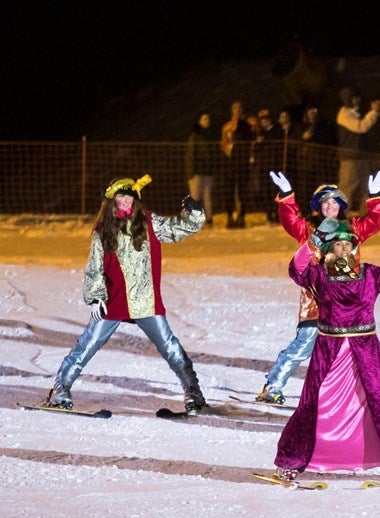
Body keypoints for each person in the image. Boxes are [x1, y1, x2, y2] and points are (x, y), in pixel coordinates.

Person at [270, 220, 380, 482]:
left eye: (348, 244)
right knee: (313, 405)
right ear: (330, 249)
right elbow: (296, 268)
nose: (344, 249)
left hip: (366, 351)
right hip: (330, 351)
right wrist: (316, 237)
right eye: (338, 244)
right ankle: (291, 462)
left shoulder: (369, 274)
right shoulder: (319, 275)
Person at [43, 175, 208, 414]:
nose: (125, 200)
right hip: (113, 300)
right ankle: (60, 390)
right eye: (121, 195)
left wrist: (194, 213)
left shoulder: (149, 221)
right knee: (87, 345)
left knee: (170, 348)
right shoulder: (103, 229)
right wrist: (96, 296)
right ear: (112, 199)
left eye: (130, 195)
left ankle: (193, 392)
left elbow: (178, 229)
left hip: (145, 300)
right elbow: (95, 265)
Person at [256, 169, 380, 405]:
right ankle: (273, 386)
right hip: (317, 300)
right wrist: (287, 195)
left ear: (340, 205)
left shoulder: (353, 228)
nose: (330, 207)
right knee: (303, 345)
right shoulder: (308, 229)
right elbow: (290, 221)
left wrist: (376, 195)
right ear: (318, 207)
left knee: (366, 346)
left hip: (348, 301)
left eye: (334, 202)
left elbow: (375, 221)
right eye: (325, 203)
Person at [336, 87, 380, 215]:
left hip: (361, 156)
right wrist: (373, 113)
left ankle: (365, 216)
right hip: (349, 158)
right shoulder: (344, 114)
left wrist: (373, 112)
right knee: (347, 188)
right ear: (348, 99)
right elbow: (360, 127)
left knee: (366, 188)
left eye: (358, 97)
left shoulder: (356, 113)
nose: (358, 100)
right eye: (355, 97)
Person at [220, 100, 255, 229]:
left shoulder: (248, 124)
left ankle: (242, 217)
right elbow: (223, 144)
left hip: (243, 163)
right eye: (235, 108)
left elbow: (253, 137)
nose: (237, 110)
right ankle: (229, 217)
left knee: (242, 191)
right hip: (230, 163)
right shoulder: (227, 126)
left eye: (239, 108)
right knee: (229, 191)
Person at [185, 110, 217, 227]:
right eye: (204, 119)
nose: (207, 121)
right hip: (197, 171)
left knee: (207, 195)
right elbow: (191, 155)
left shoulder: (210, 136)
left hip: (208, 171)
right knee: (195, 196)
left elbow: (213, 154)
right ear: (199, 121)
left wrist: (213, 167)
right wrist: (191, 172)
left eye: (208, 119)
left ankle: (209, 219)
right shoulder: (195, 137)